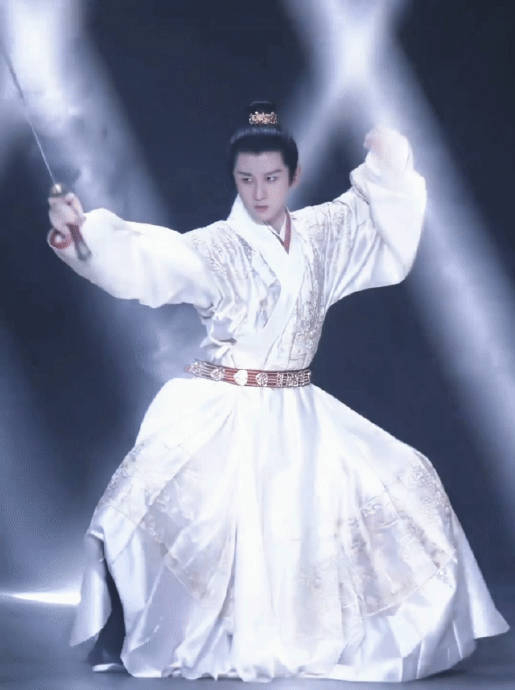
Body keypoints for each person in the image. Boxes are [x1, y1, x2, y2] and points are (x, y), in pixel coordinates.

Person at [47, 101, 509, 683]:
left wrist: (389, 163)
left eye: (271, 178)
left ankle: (353, 633)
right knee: (161, 509)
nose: (259, 192)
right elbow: (147, 256)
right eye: (247, 179)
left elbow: (374, 221)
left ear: (293, 176)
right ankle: (128, 624)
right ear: (234, 178)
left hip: (299, 406)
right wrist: (82, 236)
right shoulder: (215, 246)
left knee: (404, 479)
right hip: (227, 405)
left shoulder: (321, 235)